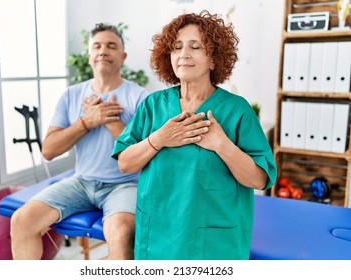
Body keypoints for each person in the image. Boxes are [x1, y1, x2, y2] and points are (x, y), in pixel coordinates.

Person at [112, 10, 277, 260]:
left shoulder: (236, 110)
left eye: (195, 46)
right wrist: (159, 139)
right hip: (157, 235)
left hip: (212, 244)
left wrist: (223, 145)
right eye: (176, 47)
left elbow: (260, 179)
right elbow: (125, 162)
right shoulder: (153, 105)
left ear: (214, 59)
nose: (184, 55)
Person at [10, 23, 149, 260]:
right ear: (89, 55)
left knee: (123, 233)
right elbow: (49, 150)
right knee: (21, 221)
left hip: (125, 184)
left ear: (123, 56)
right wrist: (85, 122)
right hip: (81, 182)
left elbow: (145, 154)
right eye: (97, 46)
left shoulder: (140, 98)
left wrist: (109, 120)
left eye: (111, 46)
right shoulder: (71, 95)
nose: (103, 50)